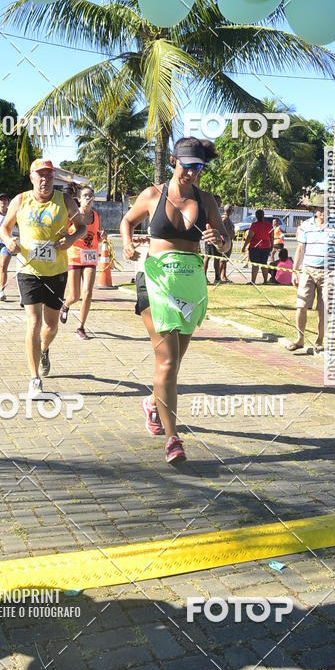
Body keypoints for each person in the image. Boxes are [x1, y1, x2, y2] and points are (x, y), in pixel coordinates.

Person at [120, 137, 231, 464]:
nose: (193, 174)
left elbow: (226, 243)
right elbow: (127, 221)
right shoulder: (152, 195)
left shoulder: (206, 200)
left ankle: (153, 404)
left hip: (189, 284)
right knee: (167, 360)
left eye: (199, 168)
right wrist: (127, 245)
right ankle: (173, 438)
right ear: (173, 160)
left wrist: (219, 240)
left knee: (174, 360)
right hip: (155, 281)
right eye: (188, 166)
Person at [0, 159, 86, 395]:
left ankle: (44, 349)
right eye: (40, 175)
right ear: (32, 177)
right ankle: (34, 378)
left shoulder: (65, 200)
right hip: (28, 270)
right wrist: (8, 241)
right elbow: (4, 228)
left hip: (56, 271)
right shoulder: (21, 200)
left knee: (51, 325)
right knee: (34, 321)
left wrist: (71, 239)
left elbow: (82, 227)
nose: (45, 179)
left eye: (49, 175)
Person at [60, 185, 105, 340]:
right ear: (79, 199)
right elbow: (64, 233)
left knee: (87, 293)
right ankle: (65, 305)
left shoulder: (96, 216)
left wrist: (101, 237)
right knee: (75, 295)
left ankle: (81, 326)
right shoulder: (73, 215)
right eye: (85, 195)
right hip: (74, 256)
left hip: (90, 257)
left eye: (91, 195)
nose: (88, 198)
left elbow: (94, 237)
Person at [287, 194, 327, 352]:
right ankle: (300, 338)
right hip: (307, 270)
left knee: (323, 309)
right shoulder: (305, 226)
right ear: (315, 210)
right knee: (301, 305)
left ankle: (320, 340)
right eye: (321, 209)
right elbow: (300, 249)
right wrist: (294, 271)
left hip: (328, 272)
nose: (324, 212)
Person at [241, 209, 273, 284]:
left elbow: (249, 236)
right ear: (263, 215)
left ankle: (253, 281)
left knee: (255, 265)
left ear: (256, 216)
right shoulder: (269, 225)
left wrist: (244, 246)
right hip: (266, 247)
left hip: (255, 247)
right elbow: (272, 236)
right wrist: (272, 245)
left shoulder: (254, 225)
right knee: (264, 264)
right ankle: (265, 281)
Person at [203, 194, 223, 283]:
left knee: (217, 258)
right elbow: (207, 224)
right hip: (210, 240)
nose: (221, 203)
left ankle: (217, 277)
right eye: (219, 201)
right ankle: (204, 277)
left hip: (218, 239)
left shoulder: (218, 212)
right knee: (207, 257)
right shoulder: (210, 211)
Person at [219, 204, 236, 282]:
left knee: (225, 260)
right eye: (232, 210)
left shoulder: (228, 218)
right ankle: (221, 276)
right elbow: (219, 228)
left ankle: (224, 275)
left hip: (229, 241)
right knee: (222, 260)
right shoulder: (224, 218)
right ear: (229, 210)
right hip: (225, 242)